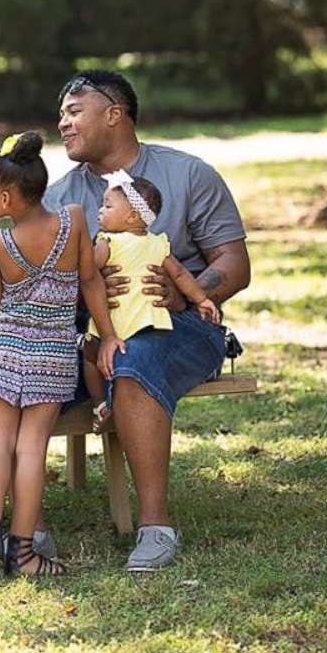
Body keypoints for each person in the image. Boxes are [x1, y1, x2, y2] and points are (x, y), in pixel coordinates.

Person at [44, 69, 250, 571]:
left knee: (135, 358)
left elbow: (235, 264)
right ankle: (27, 527)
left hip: (183, 326)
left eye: (75, 112)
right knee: (16, 365)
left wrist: (189, 297)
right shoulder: (59, 197)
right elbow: (42, 280)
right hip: (93, 332)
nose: (63, 124)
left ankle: (155, 526)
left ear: (114, 114)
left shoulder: (188, 174)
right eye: (62, 116)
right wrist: (84, 293)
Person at [0, 132, 121, 578]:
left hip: (6, 350)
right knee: (32, 448)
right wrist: (106, 335)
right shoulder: (73, 221)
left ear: (8, 198)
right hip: (52, 352)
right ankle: (25, 552)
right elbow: (91, 282)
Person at [81, 171, 221, 425]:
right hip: (144, 320)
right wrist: (201, 299)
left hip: (112, 321)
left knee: (90, 356)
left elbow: (88, 270)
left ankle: (100, 402)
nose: (100, 211)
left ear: (133, 216)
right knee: (131, 359)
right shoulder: (158, 243)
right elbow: (179, 274)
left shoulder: (107, 241)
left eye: (108, 205)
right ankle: (112, 401)